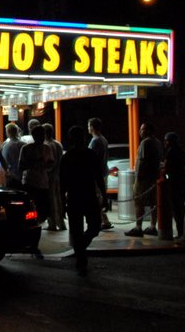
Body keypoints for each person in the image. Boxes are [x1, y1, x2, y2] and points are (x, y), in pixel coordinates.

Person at [60, 125, 105, 275]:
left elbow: (62, 182)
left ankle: (80, 252)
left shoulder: (67, 157)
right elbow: (98, 177)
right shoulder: (90, 155)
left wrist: (61, 202)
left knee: (78, 230)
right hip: (87, 195)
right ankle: (81, 255)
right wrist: (103, 195)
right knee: (94, 226)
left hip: (75, 197)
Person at [126, 122, 163, 238]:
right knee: (153, 203)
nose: (140, 131)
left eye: (142, 129)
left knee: (138, 202)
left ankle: (138, 227)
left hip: (143, 179)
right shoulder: (157, 142)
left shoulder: (145, 143)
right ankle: (153, 226)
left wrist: (137, 177)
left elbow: (142, 162)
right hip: (154, 177)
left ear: (148, 131)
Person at [18, 123, 54, 224]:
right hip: (30, 182)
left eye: (43, 135)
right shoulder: (26, 149)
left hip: (43, 183)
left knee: (43, 210)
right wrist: (35, 162)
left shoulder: (47, 148)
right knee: (30, 209)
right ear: (34, 136)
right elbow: (21, 166)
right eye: (40, 135)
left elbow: (51, 164)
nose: (42, 138)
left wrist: (46, 165)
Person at [87, 117, 113, 229]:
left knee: (96, 198)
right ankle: (104, 220)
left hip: (96, 175)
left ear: (92, 127)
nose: (88, 128)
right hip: (104, 172)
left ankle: (101, 221)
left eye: (88, 126)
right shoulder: (104, 139)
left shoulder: (95, 141)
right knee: (100, 198)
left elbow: (91, 159)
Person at [163, 131, 185, 240]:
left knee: (177, 210)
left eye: (166, 140)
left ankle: (181, 233)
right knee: (183, 209)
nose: (165, 142)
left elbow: (166, 167)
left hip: (174, 183)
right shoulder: (181, 151)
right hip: (183, 183)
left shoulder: (171, 152)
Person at [42, 123, 66, 231]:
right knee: (58, 199)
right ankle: (61, 223)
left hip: (49, 176)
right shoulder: (58, 144)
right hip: (58, 175)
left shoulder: (46, 145)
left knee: (50, 200)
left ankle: (52, 223)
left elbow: (49, 163)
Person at [1, 122, 24, 190]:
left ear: (8, 133)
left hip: (12, 177)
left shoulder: (7, 146)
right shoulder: (24, 144)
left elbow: (4, 162)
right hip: (23, 177)